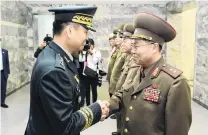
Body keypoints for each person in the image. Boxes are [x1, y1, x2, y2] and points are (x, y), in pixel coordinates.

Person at [25, 6, 109, 135]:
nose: (87, 38)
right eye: (85, 32)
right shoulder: (54, 70)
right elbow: (66, 127)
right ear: (69, 31)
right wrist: (95, 110)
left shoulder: (56, 54)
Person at [107, 12, 192, 135]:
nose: (133, 50)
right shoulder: (137, 70)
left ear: (154, 47)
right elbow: (123, 95)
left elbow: (177, 130)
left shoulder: (175, 83)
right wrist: (104, 107)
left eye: (136, 46)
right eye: (132, 46)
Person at [112, 23, 140, 135]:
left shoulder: (136, 61)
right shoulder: (129, 58)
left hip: (127, 103)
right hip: (121, 98)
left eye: (125, 39)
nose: (122, 42)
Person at [83, 38, 102, 105]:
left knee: (94, 90)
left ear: (93, 45)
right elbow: (81, 60)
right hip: (86, 74)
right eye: (87, 45)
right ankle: (88, 105)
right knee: (87, 91)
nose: (89, 46)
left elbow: (95, 62)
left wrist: (91, 53)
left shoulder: (97, 52)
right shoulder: (85, 52)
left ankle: (94, 104)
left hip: (94, 74)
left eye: (90, 45)